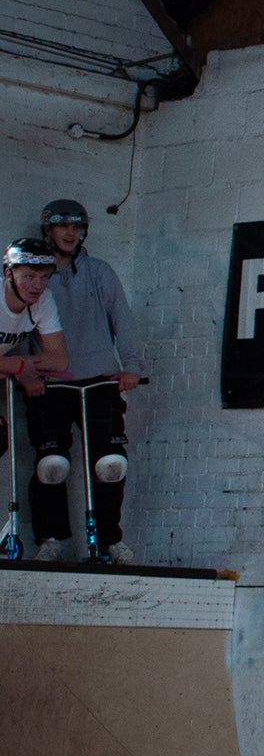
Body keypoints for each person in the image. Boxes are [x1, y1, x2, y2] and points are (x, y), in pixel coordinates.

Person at [27, 200, 146, 565]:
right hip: (50, 383)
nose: (71, 234)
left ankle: (110, 540)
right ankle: (50, 539)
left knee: (111, 464)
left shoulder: (99, 272)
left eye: (77, 228)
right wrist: (25, 372)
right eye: (63, 227)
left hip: (100, 381)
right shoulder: (33, 276)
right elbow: (16, 324)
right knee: (51, 465)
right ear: (48, 231)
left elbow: (122, 320)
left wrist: (132, 367)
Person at [2, 236, 70, 561]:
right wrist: (19, 366)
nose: (37, 285)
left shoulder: (42, 301)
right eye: (29, 276)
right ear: (8, 274)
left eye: (44, 277)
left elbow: (59, 360)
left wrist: (15, 366)